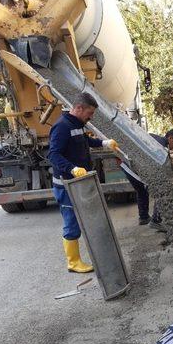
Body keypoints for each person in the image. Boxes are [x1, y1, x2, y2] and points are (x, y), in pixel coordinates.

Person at [48, 92, 118, 273]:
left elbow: (84, 140)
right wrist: (71, 168)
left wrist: (103, 143)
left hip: (79, 182)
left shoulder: (76, 125)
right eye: (90, 113)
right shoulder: (62, 127)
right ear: (78, 108)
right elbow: (53, 155)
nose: (91, 117)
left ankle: (84, 256)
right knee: (71, 222)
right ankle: (73, 262)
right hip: (66, 184)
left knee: (82, 220)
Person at [121, 129, 173, 231]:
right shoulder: (161, 148)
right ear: (170, 138)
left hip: (127, 165)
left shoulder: (155, 138)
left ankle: (144, 217)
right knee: (161, 189)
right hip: (134, 167)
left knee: (142, 191)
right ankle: (156, 221)